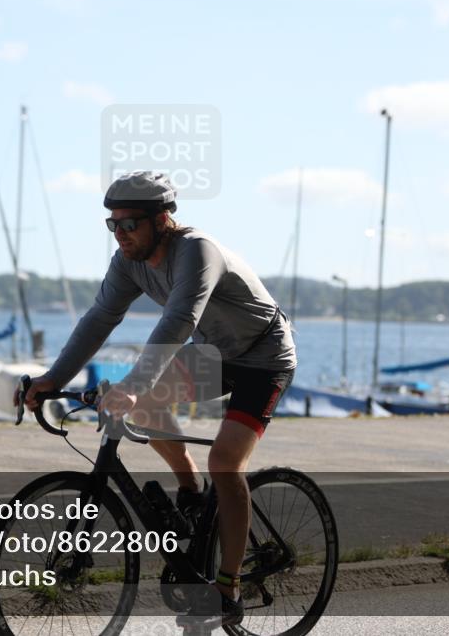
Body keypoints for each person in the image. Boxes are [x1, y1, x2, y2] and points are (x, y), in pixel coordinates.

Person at [18, 170, 296, 627]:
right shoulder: (127, 261)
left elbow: (179, 321)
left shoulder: (197, 251)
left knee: (226, 461)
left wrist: (131, 384)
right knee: (147, 405)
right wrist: (53, 377)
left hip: (265, 358)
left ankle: (228, 586)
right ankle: (190, 490)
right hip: (218, 355)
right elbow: (100, 318)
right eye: (113, 225)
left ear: (163, 219)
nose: (121, 235)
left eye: (130, 225)